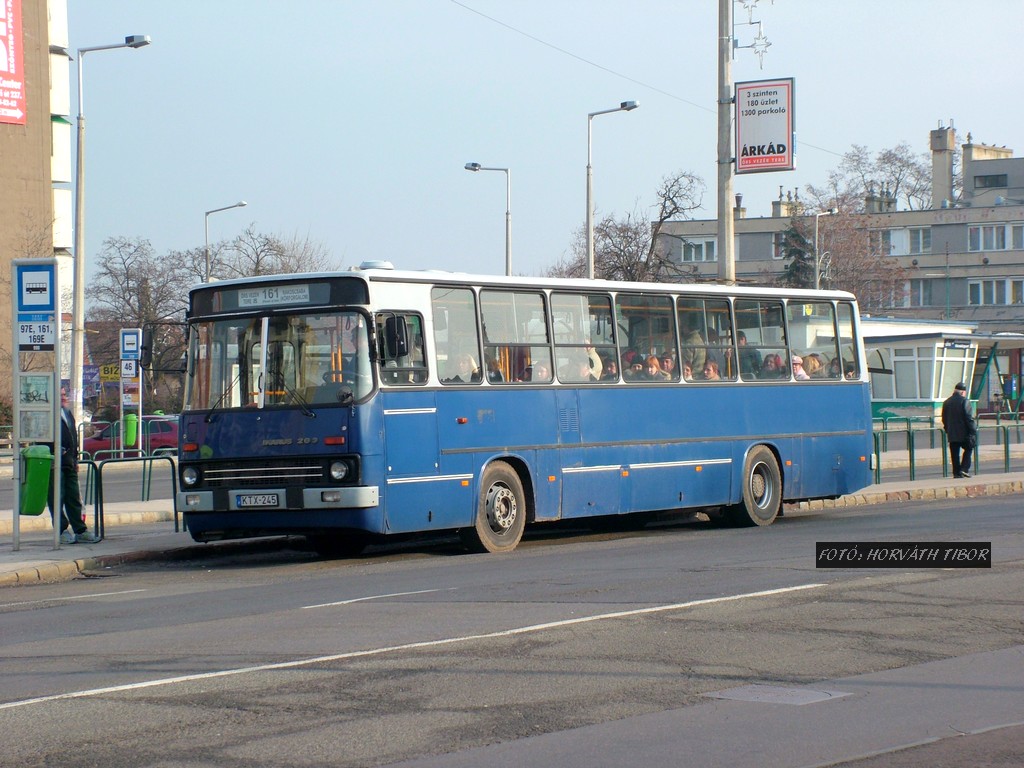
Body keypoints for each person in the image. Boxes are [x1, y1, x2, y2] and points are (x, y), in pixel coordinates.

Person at [46, 389, 99, 544]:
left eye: (64, 395)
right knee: (57, 497)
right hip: (54, 462)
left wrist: (75, 459)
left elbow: (73, 438)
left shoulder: (67, 413)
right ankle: (61, 530)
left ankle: (80, 530)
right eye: (60, 395)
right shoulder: (48, 415)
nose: (64, 398)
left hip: (69, 462)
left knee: (73, 497)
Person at [941, 382, 977, 478]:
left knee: (954, 453)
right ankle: (964, 469)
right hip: (965, 433)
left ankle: (956, 473)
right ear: (962, 392)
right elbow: (969, 418)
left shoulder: (947, 402)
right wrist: (973, 430)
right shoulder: (965, 401)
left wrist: (947, 429)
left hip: (952, 433)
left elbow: (944, 418)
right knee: (969, 448)